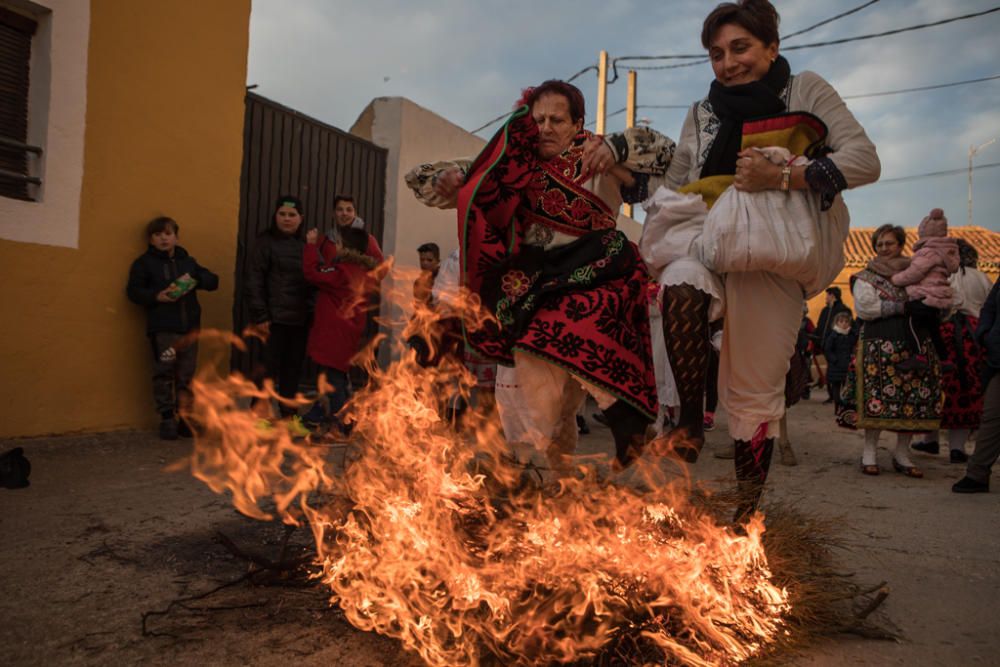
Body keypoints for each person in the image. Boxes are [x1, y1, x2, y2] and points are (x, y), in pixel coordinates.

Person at [590, 0, 880, 518]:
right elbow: (676, 184)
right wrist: (623, 172)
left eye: (740, 48)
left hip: (772, 251)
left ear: (771, 47)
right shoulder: (702, 113)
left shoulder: (806, 90)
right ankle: (689, 425)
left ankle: (745, 520)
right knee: (680, 285)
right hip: (702, 237)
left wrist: (784, 177)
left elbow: (863, 160)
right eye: (717, 54)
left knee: (753, 394)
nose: (728, 63)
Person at [405, 79, 662, 472]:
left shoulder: (598, 154)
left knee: (564, 378)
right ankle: (538, 474)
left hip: (589, 276)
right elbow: (432, 179)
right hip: (529, 289)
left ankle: (621, 424)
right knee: (532, 380)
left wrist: (618, 150)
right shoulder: (513, 160)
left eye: (557, 119)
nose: (545, 127)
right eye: (538, 119)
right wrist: (449, 180)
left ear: (578, 123)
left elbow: (665, 159)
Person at [837, 224, 942, 479]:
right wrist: (905, 306)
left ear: (900, 244)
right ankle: (869, 452)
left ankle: (902, 454)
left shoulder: (917, 273)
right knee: (875, 398)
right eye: (880, 244)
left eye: (889, 243)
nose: (884, 248)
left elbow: (935, 297)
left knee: (911, 400)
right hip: (878, 344)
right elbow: (866, 308)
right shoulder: (866, 276)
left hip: (914, 344)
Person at [126, 216, 219, 439]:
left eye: (168, 234)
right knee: (164, 373)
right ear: (151, 239)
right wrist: (156, 296)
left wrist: (198, 277)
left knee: (186, 376)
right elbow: (133, 292)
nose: (163, 238)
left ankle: (185, 420)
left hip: (189, 329)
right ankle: (167, 419)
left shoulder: (188, 262)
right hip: (164, 329)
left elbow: (213, 281)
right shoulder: (144, 263)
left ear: (176, 237)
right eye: (158, 235)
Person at [911, 239, 992, 463]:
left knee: (936, 385)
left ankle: (931, 440)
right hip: (974, 337)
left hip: (942, 332)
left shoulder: (940, 276)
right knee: (966, 390)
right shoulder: (982, 278)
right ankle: (957, 448)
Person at [300, 226, 380, 434]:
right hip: (348, 333)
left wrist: (310, 246)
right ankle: (317, 414)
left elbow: (314, 273)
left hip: (334, 335)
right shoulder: (363, 271)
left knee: (333, 379)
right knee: (335, 377)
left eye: (339, 243)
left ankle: (345, 424)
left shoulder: (341, 271)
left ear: (345, 247)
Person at [245, 196, 312, 429]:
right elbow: (254, 282)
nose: (287, 219)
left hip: (300, 321)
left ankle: (289, 418)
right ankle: (259, 418)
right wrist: (260, 316)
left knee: (293, 371)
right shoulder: (264, 243)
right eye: (282, 214)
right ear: (275, 217)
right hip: (272, 321)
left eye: (292, 215)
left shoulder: (306, 246)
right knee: (267, 370)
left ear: (300, 219)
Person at [953, 276, 1000, 493]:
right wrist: (985, 334)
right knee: (992, 416)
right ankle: (977, 473)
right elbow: (990, 307)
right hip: (997, 357)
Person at [815, 286, 850, 403]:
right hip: (827, 346)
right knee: (831, 372)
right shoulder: (826, 310)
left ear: (833, 296)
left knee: (841, 372)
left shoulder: (843, 310)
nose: (826, 298)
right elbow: (820, 327)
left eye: (827, 295)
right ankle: (833, 395)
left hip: (841, 346)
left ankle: (842, 395)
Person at [330, 195, 384, 263]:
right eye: (340, 209)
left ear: (355, 214)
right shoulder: (325, 240)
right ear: (333, 213)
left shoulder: (368, 240)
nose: (344, 213)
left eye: (349, 210)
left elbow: (381, 266)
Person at [824, 310, 854, 413]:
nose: (844, 324)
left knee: (847, 389)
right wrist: (834, 360)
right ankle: (837, 406)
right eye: (841, 322)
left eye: (846, 322)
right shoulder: (833, 335)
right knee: (836, 389)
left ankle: (844, 408)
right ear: (836, 323)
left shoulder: (850, 335)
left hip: (847, 366)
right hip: (836, 367)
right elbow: (827, 349)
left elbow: (853, 347)